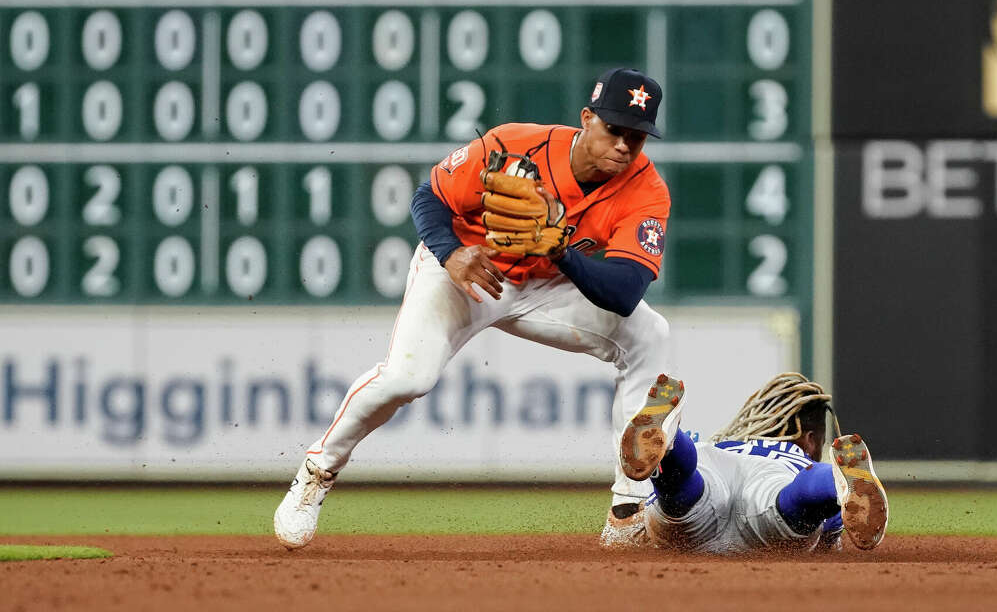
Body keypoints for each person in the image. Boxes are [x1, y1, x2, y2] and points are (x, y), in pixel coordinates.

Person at [274, 68, 673, 549]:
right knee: (408, 378)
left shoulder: (647, 191)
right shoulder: (516, 144)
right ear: (587, 119)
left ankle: (627, 510)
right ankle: (318, 470)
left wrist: (562, 252)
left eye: (637, 137)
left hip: (547, 284)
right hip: (467, 269)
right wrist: (450, 253)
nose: (624, 146)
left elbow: (627, 291)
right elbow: (429, 197)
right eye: (614, 130)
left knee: (650, 335)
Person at [616, 372, 889, 553]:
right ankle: (836, 481)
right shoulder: (791, 455)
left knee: (679, 489)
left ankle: (674, 441)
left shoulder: (727, 442)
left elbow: (631, 528)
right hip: (773, 479)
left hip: (715, 462)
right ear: (809, 440)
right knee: (796, 501)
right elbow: (828, 527)